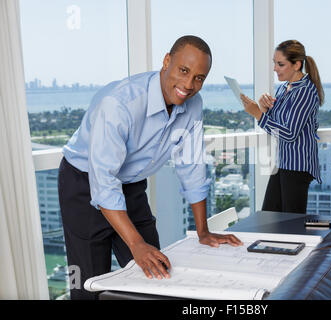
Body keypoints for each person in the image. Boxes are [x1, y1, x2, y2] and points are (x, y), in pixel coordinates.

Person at [58, 35, 243, 300]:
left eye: (199, 78)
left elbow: (191, 165)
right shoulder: (119, 103)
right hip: (83, 185)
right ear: (167, 61)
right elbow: (104, 182)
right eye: (183, 70)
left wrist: (203, 231)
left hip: (131, 185)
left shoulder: (193, 106)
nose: (189, 85)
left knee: (157, 275)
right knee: (88, 285)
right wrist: (135, 244)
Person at [240, 40, 324, 214]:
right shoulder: (284, 88)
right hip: (283, 163)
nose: (275, 68)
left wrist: (257, 114)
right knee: (269, 217)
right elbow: (275, 125)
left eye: (280, 64)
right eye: (274, 63)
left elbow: (289, 134)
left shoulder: (306, 91)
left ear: (296, 65)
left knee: (290, 225)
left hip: (298, 167)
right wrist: (263, 108)